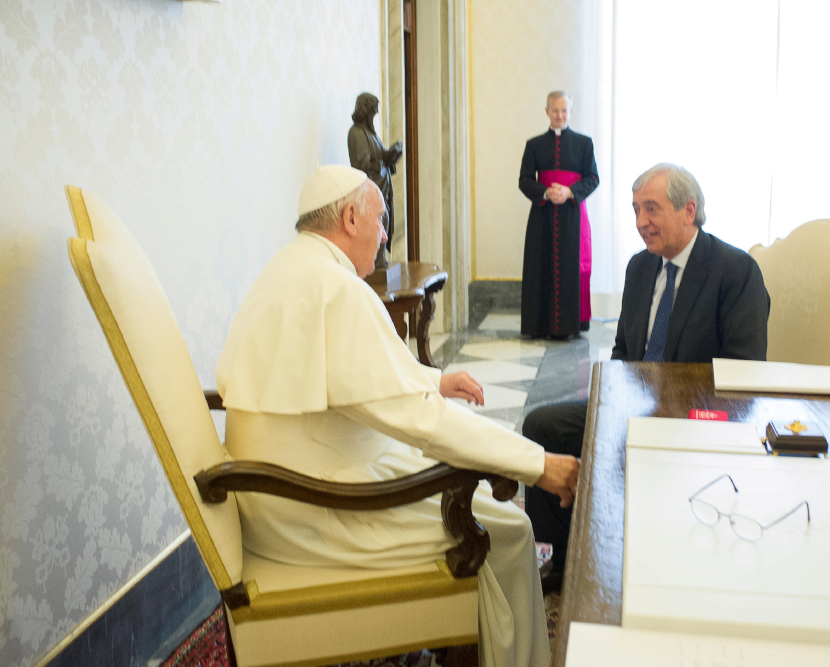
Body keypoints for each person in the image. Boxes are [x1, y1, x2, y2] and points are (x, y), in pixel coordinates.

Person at [216, 165, 579, 667]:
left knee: (478, 502)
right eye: (381, 218)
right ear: (349, 217)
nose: (386, 234)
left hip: (275, 498)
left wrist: (432, 379)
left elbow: (345, 376)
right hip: (317, 509)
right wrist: (539, 464)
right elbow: (422, 420)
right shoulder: (338, 289)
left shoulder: (287, 270)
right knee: (508, 532)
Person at [523, 163, 769, 592]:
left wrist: (668, 411)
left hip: (696, 418)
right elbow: (623, 350)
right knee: (541, 426)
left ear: (688, 210)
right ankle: (563, 558)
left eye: (651, 209)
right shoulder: (640, 268)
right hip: (633, 405)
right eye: (636, 210)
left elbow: (744, 372)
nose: (640, 223)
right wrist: (613, 402)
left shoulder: (735, 271)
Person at [519, 91, 599, 339]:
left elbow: (593, 178)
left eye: (564, 110)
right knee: (540, 266)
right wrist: (545, 193)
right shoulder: (534, 145)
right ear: (547, 111)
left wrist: (569, 192)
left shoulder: (584, 143)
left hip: (572, 216)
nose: (560, 115)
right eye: (555, 110)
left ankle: (568, 326)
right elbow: (523, 180)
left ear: (570, 112)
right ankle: (538, 325)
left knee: (570, 268)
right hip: (541, 217)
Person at [348, 92, 402, 269]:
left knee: (386, 221)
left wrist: (391, 155)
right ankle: (376, 261)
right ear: (365, 111)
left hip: (382, 188)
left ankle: (380, 260)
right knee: (380, 220)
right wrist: (383, 161)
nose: (374, 115)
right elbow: (363, 166)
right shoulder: (356, 133)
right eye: (373, 111)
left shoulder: (371, 134)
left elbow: (379, 158)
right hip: (371, 189)